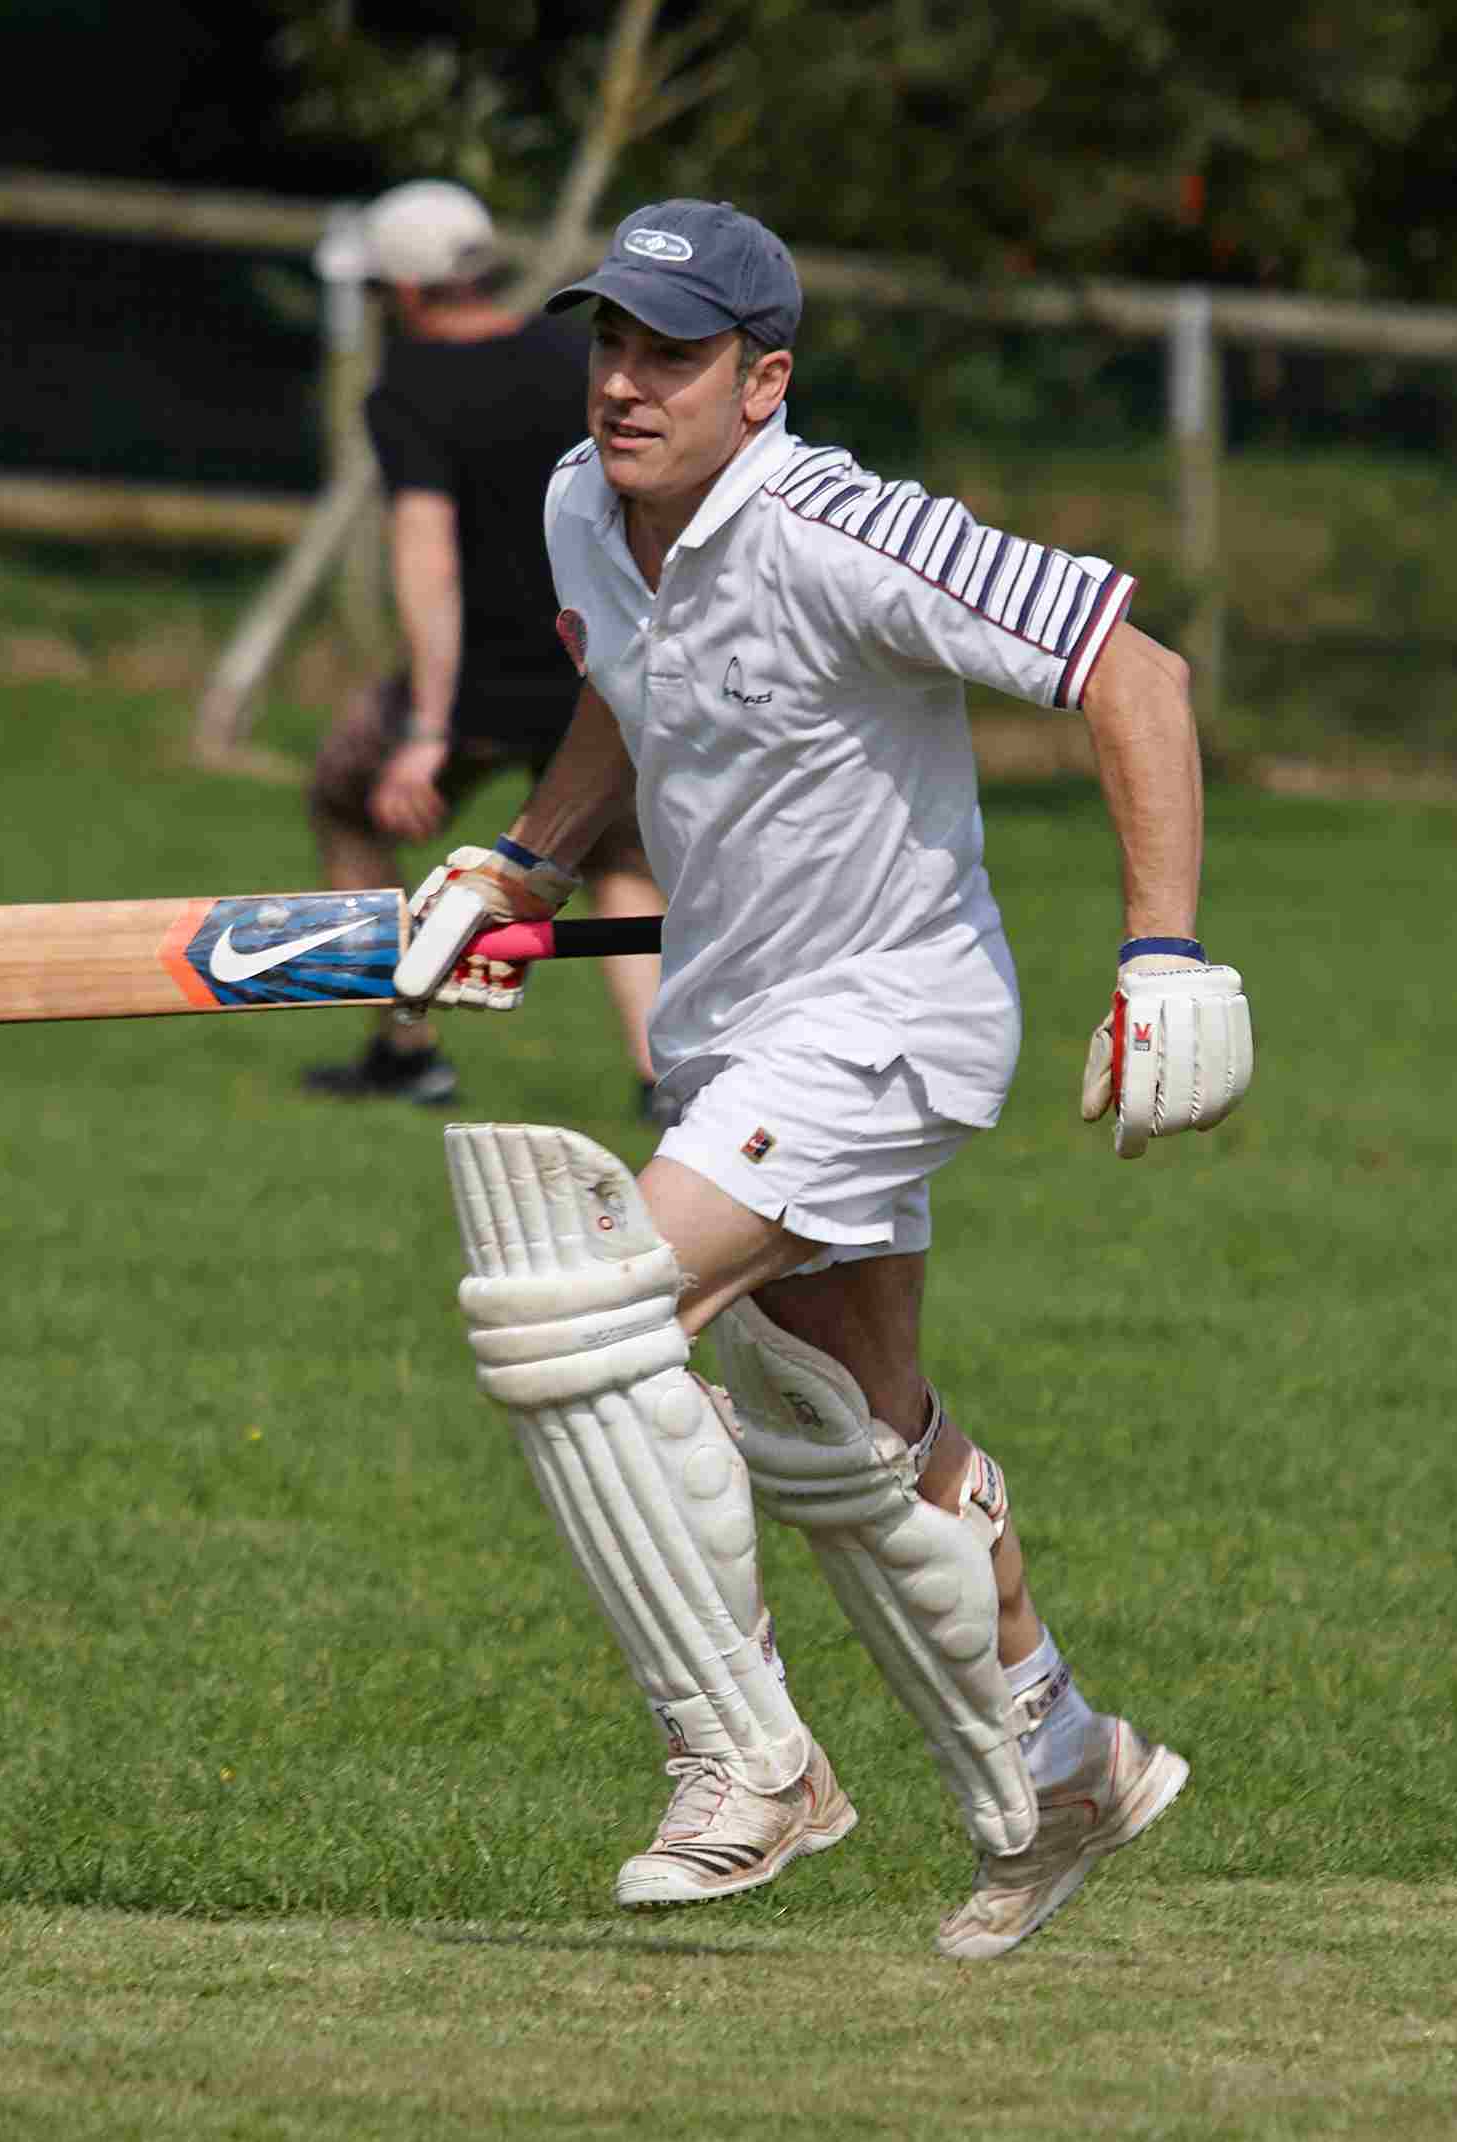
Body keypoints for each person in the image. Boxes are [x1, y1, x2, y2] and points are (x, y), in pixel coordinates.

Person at [394, 199, 1253, 1959]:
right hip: (733, 1023)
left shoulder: (841, 527)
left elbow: (1129, 666)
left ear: (763, 381)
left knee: (583, 1306)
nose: (625, 384)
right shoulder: (585, 505)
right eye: (610, 343)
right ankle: (1066, 1756)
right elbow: (634, 698)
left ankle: (745, 1762)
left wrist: (1161, 950)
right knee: (852, 1433)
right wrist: (530, 861)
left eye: (673, 355)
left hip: (892, 1018)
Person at [300, 179, 668, 1116]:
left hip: (476, 678)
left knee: (346, 800)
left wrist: (427, 727)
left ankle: (404, 1044)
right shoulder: (572, 360)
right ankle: (668, 1081)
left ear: (411, 292)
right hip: (599, 667)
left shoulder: (412, 388)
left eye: (382, 289)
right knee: (620, 857)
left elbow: (427, 564)